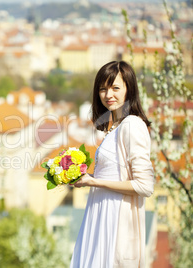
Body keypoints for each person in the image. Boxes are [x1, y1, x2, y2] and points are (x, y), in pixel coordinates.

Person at [69, 61, 155, 268]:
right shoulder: (114, 128)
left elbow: (145, 186)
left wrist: (95, 182)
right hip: (99, 214)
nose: (108, 94)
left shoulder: (132, 125)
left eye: (116, 88)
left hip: (115, 220)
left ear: (129, 90)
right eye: (103, 89)